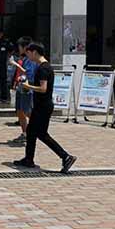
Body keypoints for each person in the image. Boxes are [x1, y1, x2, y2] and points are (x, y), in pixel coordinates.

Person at [13, 42, 77, 174]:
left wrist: (28, 86)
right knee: (31, 131)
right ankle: (28, 159)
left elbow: (43, 89)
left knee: (42, 134)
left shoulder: (43, 68)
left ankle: (66, 156)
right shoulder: (43, 67)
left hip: (43, 106)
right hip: (41, 105)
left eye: (28, 53)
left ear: (34, 52)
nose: (28, 56)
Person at [10, 37, 37, 143]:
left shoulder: (30, 59)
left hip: (27, 88)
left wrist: (16, 64)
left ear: (25, 47)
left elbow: (28, 73)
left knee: (27, 110)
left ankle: (36, 128)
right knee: (20, 110)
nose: (19, 49)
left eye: (20, 47)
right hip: (21, 87)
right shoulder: (25, 58)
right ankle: (25, 133)